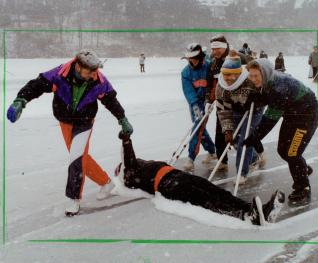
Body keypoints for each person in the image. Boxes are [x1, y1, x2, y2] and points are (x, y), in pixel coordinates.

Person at [7, 49, 134, 216]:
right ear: (79, 66)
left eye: (95, 71)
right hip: (65, 120)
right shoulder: (60, 74)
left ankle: (74, 199)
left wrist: (122, 119)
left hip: (84, 121)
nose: (93, 75)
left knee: (77, 157)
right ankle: (106, 182)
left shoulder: (99, 80)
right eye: (90, 71)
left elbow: (111, 100)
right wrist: (21, 100)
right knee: (80, 156)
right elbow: (36, 85)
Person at [116, 132, 285, 226]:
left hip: (178, 176)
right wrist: (126, 141)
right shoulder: (131, 175)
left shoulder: (146, 165)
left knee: (216, 191)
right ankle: (244, 215)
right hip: (168, 186)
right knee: (205, 198)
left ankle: (259, 211)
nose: (138, 160)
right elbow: (129, 160)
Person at [244, 59, 318, 206]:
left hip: (307, 115)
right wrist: (260, 98)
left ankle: (303, 187)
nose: (253, 79)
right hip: (292, 114)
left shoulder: (280, 88)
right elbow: (271, 97)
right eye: (251, 76)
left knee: (292, 152)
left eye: (256, 76)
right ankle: (301, 169)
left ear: (264, 73)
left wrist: (255, 137)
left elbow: (270, 119)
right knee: (282, 149)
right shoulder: (270, 79)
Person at [215, 51, 266, 185]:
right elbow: (223, 110)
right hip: (236, 110)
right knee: (236, 141)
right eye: (226, 74)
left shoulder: (249, 80)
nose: (229, 78)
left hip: (254, 110)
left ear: (239, 73)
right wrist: (227, 130)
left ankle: (241, 173)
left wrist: (259, 99)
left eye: (232, 74)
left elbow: (263, 91)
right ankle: (254, 158)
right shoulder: (221, 87)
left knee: (245, 139)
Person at [206, 36, 252, 172]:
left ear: (225, 47)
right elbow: (210, 82)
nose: (215, 51)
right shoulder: (213, 63)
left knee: (242, 133)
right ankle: (222, 160)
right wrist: (209, 99)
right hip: (223, 99)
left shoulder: (239, 58)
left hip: (240, 101)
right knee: (222, 130)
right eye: (213, 49)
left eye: (217, 48)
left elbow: (254, 68)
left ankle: (254, 156)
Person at [181, 43, 216, 171]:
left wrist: (211, 100)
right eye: (190, 59)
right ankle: (212, 151)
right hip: (195, 103)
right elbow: (188, 91)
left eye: (195, 58)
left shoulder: (209, 67)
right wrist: (195, 105)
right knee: (199, 126)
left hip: (207, 101)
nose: (192, 61)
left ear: (200, 57)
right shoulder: (185, 72)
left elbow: (213, 85)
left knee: (198, 127)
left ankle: (191, 158)